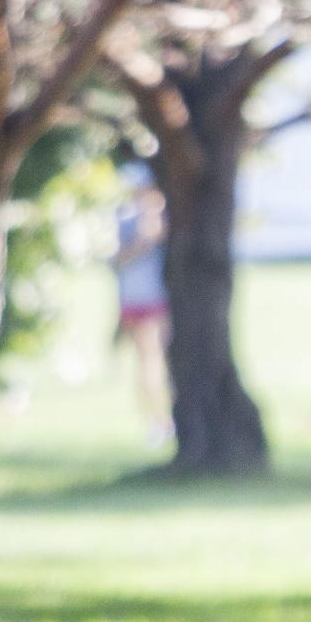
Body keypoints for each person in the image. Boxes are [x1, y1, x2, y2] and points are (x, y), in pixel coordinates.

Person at [113, 165, 173, 446]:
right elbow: (120, 258)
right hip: (140, 300)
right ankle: (157, 421)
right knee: (148, 363)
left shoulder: (163, 216)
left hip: (158, 299)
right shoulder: (125, 218)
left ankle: (165, 419)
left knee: (161, 362)